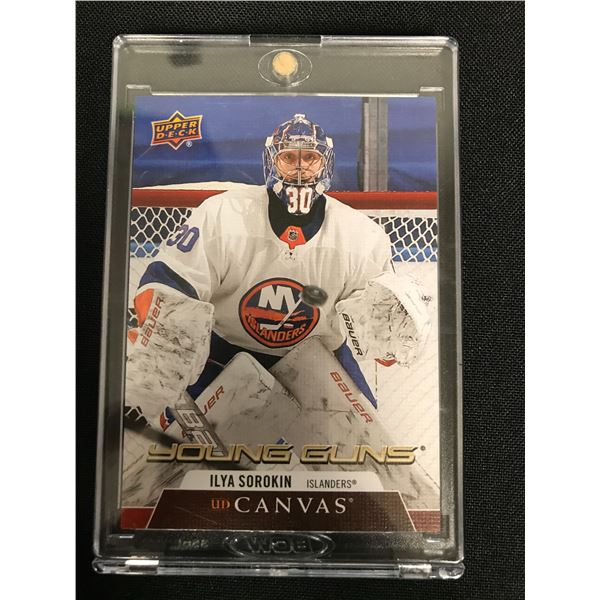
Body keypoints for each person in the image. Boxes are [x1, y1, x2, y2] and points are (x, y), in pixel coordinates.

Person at [125, 113, 428, 433]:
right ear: (271, 162)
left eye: (310, 158)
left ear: (325, 164)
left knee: (364, 441)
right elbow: (167, 282)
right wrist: (164, 339)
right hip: (224, 350)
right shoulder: (222, 214)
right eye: (289, 158)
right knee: (177, 439)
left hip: (320, 355)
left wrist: (392, 333)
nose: (299, 168)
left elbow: (384, 348)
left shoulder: (361, 236)